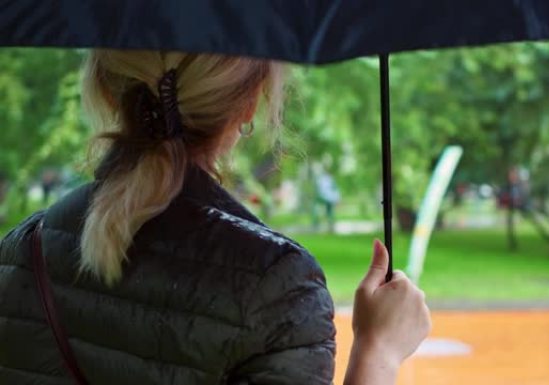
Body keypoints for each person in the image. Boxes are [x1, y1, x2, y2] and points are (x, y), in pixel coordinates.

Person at [0, 50, 431, 385]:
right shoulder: (276, 284)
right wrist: (378, 353)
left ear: (106, 87)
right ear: (247, 105)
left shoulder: (21, 251)